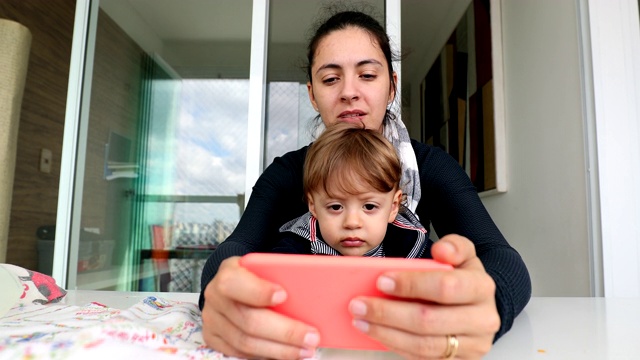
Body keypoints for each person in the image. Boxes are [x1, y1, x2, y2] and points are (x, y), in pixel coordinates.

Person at [200, 6, 531, 360]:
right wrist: (220, 295)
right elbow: (235, 249)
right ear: (312, 95)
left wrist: (489, 308)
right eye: (330, 80)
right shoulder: (286, 173)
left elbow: (502, 259)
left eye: (368, 75)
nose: (349, 92)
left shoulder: (432, 167)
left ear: (392, 86)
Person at [273, 121, 431, 258]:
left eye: (369, 206)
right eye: (336, 207)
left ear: (393, 207)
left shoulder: (410, 242)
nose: (352, 223)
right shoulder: (294, 249)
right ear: (313, 206)